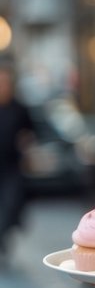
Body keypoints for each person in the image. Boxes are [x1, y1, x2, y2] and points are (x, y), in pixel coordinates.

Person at [0, 63, 34, 264]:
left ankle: (3, 234)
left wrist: (26, 141)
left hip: (12, 166)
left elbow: (30, 132)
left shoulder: (19, 108)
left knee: (11, 205)